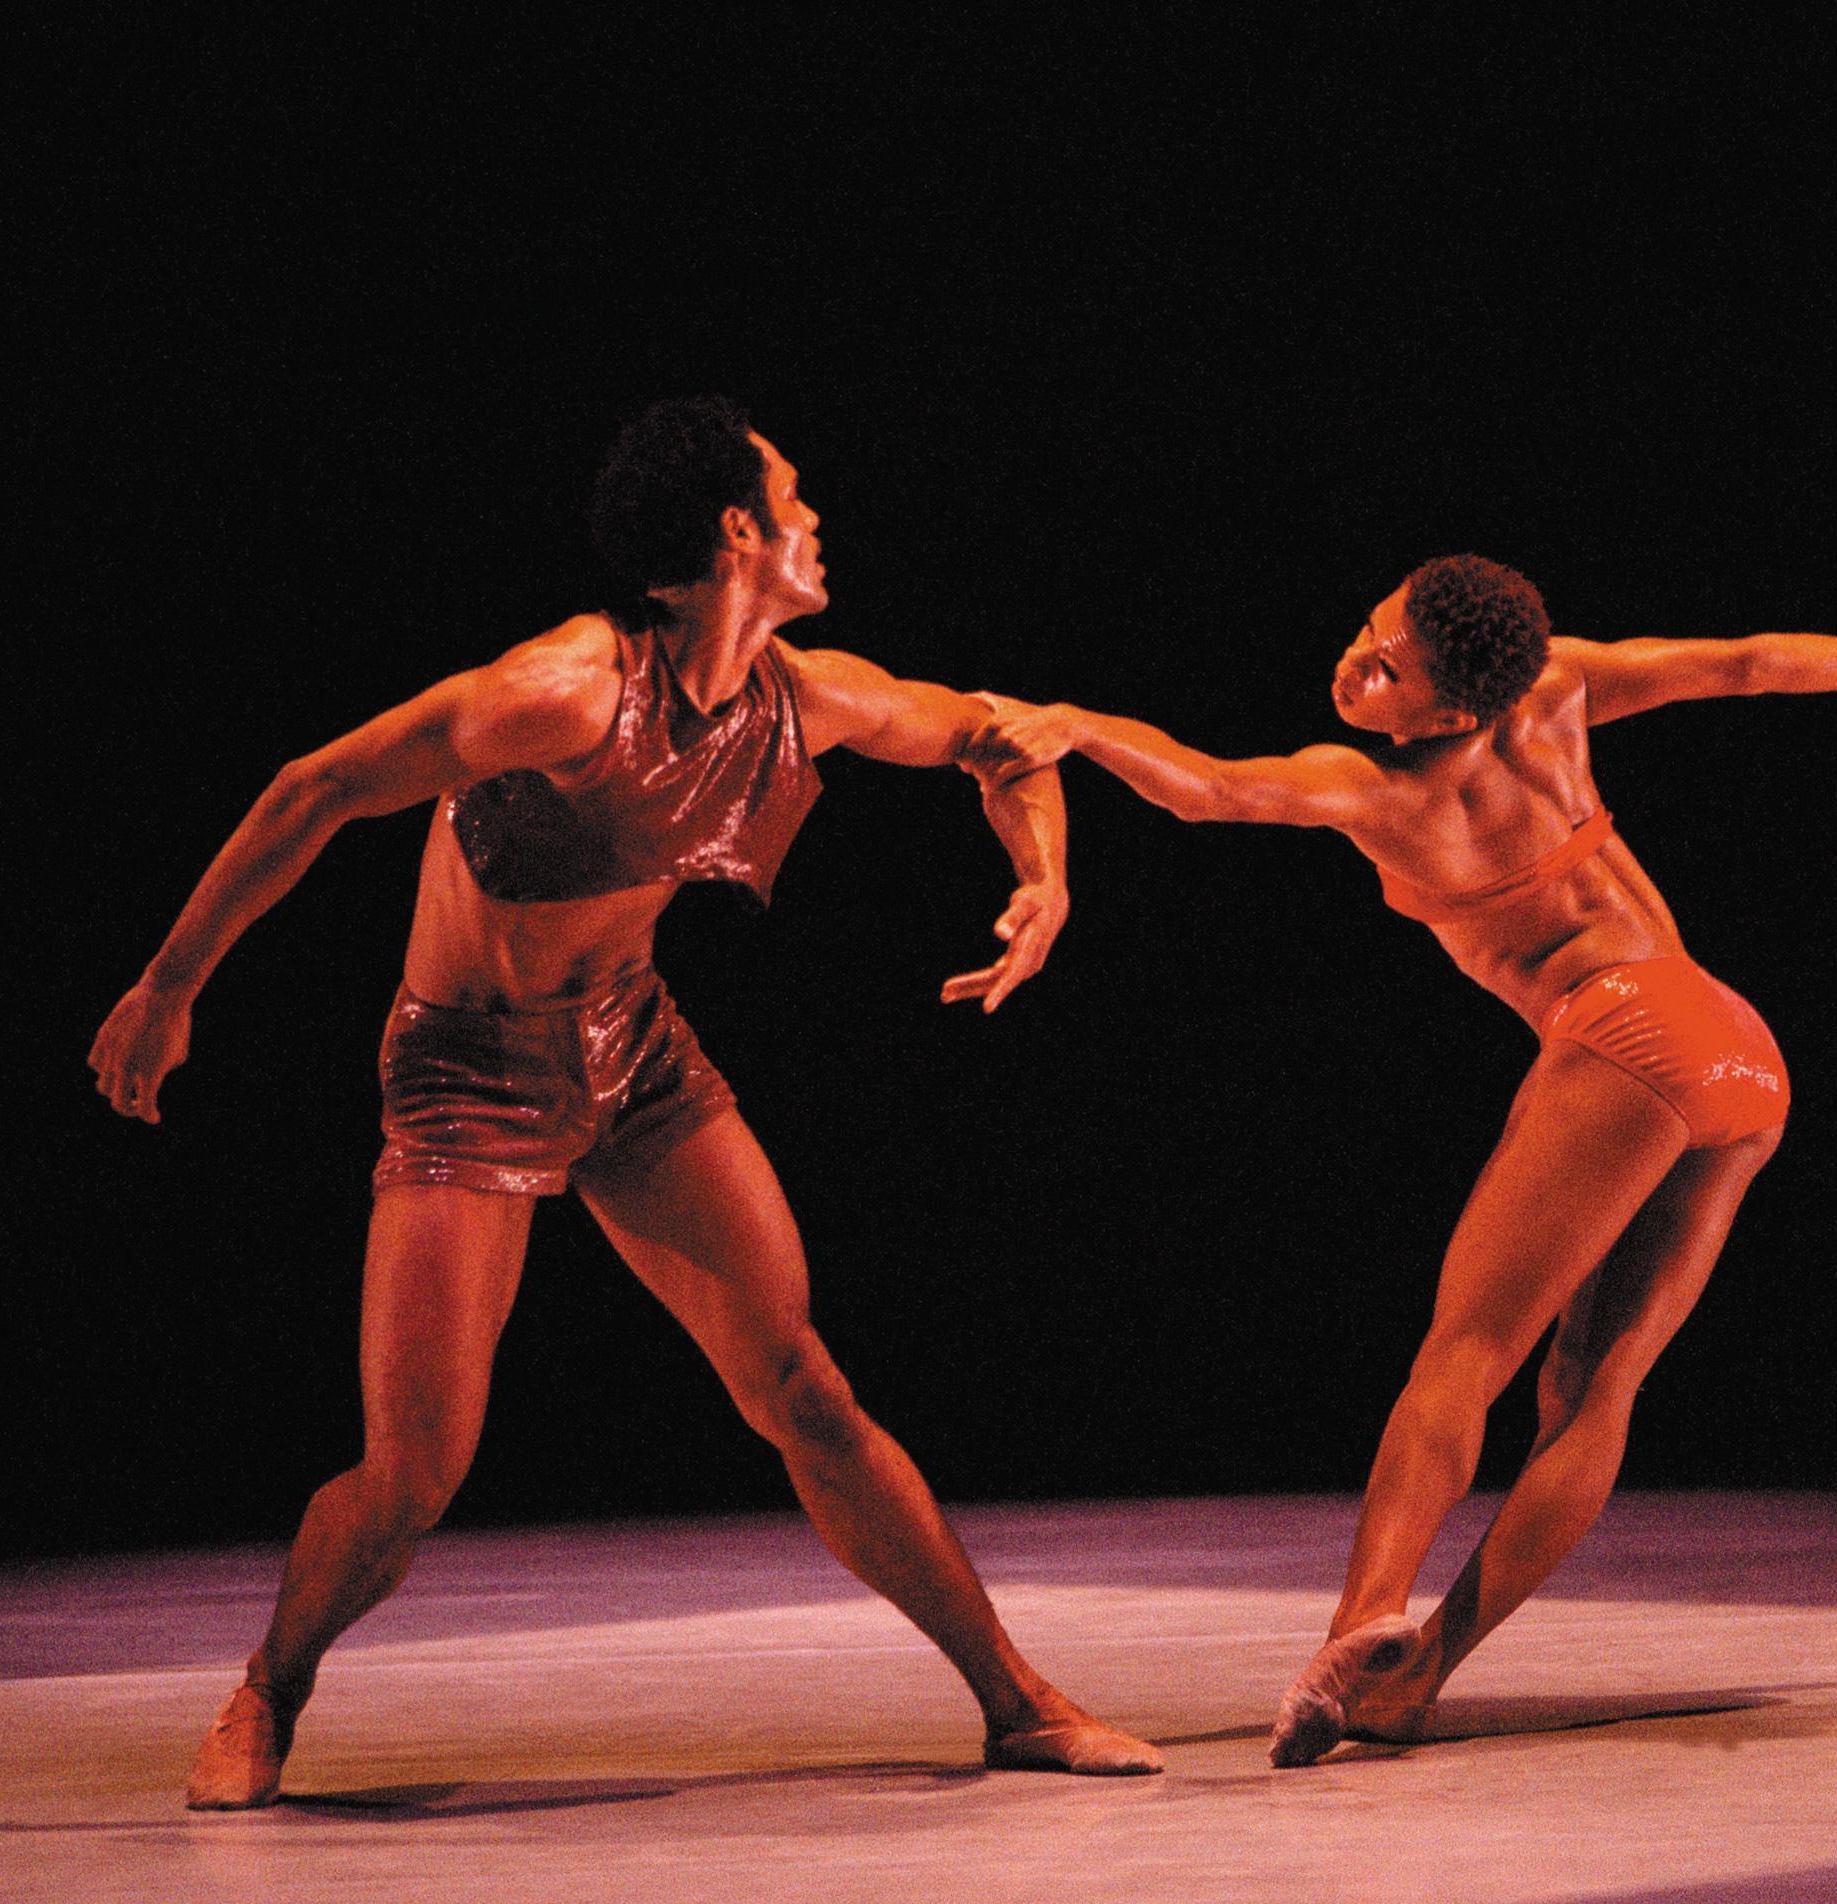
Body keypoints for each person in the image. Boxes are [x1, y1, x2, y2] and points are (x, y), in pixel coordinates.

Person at [89, 398, 1162, 1807]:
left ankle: (1016, 1703)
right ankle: (267, 1690)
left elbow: (998, 739)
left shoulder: (803, 693)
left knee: (805, 1389)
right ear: (739, 531)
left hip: (635, 1053)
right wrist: (169, 990)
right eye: (796, 494)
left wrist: (1046, 881)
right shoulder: (565, 691)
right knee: (415, 1471)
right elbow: (317, 787)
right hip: (471, 1076)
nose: (818, 515)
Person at [969, 553, 1837, 1766]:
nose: (1357, 666)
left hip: (1631, 1028)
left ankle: (1358, 1629)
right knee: (1592, 1389)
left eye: (1391, 672)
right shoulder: (1558, 688)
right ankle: (1412, 1676)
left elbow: (1211, 790)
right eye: (1367, 635)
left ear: (1455, 711)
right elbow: (1744, 662)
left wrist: (1081, 728)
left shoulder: (1382, 789)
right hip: (1739, 1052)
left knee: (1465, 1357)